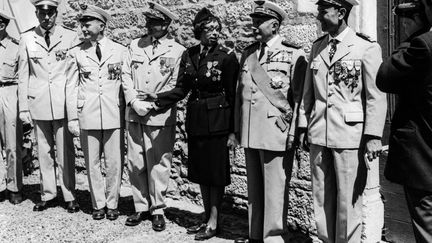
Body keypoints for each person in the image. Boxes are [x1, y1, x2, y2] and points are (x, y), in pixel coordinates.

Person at [146, 8, 239, 240]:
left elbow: (233, 96)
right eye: (209, 29)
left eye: (217, 29)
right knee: (201, 173)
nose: (214, 33)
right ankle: (206, 217)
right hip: (197, 121)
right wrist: (158, 99)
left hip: (218, 123)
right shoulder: (190, 55)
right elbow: (182, 88)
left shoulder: (226, 56)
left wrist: (233, 132)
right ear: (199, 31)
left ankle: (214, 222)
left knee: (216, 175)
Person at [297, 0, 387, 242]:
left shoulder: (366, 48)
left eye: (323, 12)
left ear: (341, 12)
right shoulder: (318, 47)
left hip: (350, 136)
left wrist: (373, 136)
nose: (318, 17)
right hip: (319, 133)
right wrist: (303, 126)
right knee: (321, 197)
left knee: (348, 202)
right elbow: (308, 93)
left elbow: (375, 96)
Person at [233, 1, 307, 242]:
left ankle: (273, 237)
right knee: (254, 190)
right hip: (251, 130)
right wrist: (237, 129)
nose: (254, 26)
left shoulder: (293, 54)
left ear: (274, 25)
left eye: (259, 22)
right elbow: (239, 96)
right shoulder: (249, 53)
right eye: (253, 21)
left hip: (277, 131)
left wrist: (295, 132)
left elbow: (299, 98)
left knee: (275, 190)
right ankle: (255, 235)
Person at [121, 1, 185, 231]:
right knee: (136, 161)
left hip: (159, 114)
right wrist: (133, 101)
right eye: (148, 21)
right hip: (135, 113)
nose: (148, 25)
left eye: (154, 22)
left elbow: (177, 83)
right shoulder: (134, 45)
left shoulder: (177, 51)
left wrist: (154, 102)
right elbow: (125, 74)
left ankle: (157, 209)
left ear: (165, 25)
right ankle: (140, 206)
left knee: (159, 162)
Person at [376, 0, 432, 241]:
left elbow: (385, 77)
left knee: (427, 227)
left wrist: (413, 34)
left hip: (425, 160)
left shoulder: (423, 44)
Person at [65, 4, 126, 221]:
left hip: (113, 114)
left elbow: (125, 84)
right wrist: (72, 117)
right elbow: (70, 86)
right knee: (91, 162)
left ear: (101, 25)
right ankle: (97, 203)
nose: (84, 28)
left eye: (88, 24)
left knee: (114, 162)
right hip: (87, 114)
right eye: (82, 24)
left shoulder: (119, 51)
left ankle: (113, 203)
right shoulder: (77, 52)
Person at [18, 0, 79, 212]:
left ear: (56, 13)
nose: (46, 17)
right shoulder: (27, 38)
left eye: (50, 13)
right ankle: (48, 193)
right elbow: (23, 75)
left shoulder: (70, 36)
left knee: (65, 152)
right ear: (36, 13)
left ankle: (69, 194)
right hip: (39, 102)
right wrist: (23, 108)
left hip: (62, 102)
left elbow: (73, 73)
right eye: (42, 13)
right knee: (44, 151)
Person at [0, 9, 23, 205]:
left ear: (2, 25)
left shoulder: (16, 46)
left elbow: (23, 76)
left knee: (12, 143)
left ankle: (14, 187)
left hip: (10, 91)